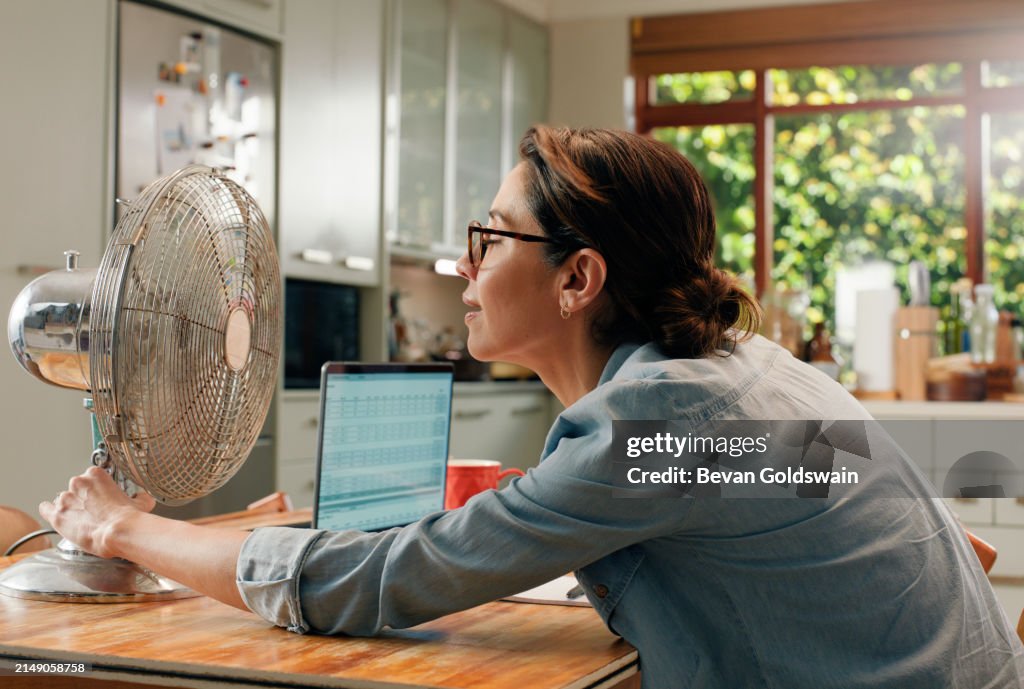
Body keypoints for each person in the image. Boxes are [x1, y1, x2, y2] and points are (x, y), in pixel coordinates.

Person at [40, 127, 1023, 688]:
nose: (466, 264)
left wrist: (124, 524)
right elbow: (932, 535)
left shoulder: (653, 427)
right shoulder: (755, 371)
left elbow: (368, 581)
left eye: (494, 236)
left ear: (577, 278)